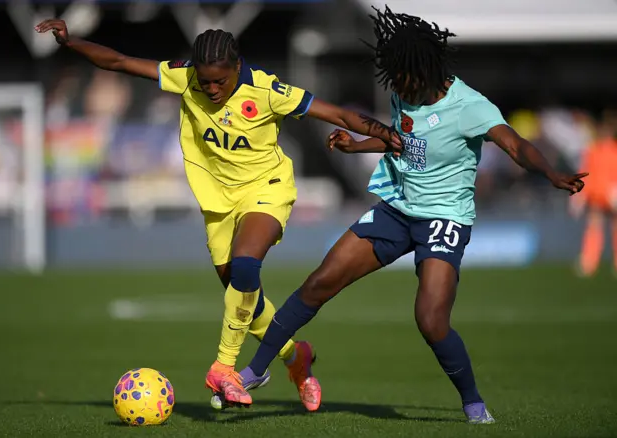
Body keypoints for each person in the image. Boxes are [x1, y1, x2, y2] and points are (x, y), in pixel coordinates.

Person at [237, 6, 587, 421]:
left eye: (405, 78)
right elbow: (404, 144)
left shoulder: (470, 106)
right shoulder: (404, 89)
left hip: (444, 219)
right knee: (320, 281)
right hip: (397, 210)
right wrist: (357, 145)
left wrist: (550, 172)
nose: (399, 86)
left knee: (430, 319)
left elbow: (514, 145)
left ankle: (474, 405)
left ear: (428, 70)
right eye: (395, 79)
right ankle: (255, 371)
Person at [34, 20, 398, 410]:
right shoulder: (185, 77)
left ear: (237, 67)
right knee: (244, 297)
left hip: (266, 189)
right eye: (204, 82)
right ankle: (296, 358)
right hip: (217, 204)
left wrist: (389, 135)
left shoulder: (268, 91)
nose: (210, 89)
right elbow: (120, 62)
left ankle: (224, 367)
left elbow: (339, 115)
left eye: (218, 82)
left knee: (245, 266)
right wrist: (71, 42)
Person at [570, 109, 617, 276]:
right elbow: (585, 173)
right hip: (597, 195)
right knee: (594, 227)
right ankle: (589, 262)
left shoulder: (612, 150)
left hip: (610, 195)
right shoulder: (593, 151)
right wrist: (579, 196)